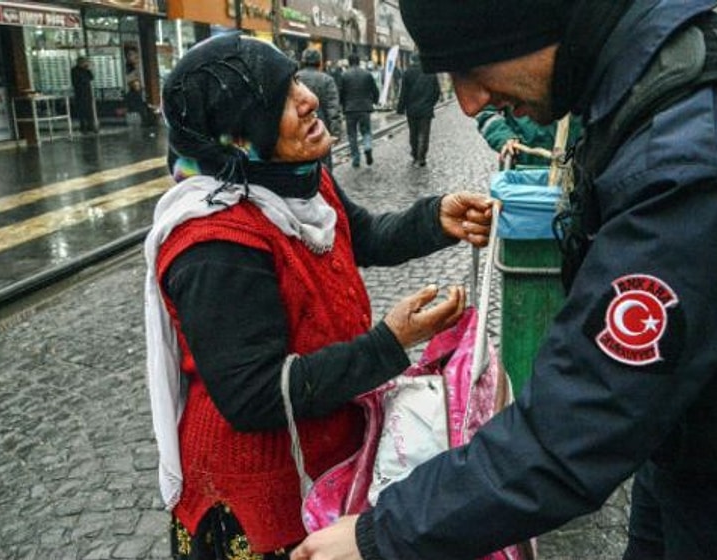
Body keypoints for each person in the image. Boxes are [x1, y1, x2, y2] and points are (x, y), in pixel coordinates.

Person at [293, 1, 717, 559]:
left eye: (471, 69)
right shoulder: (654, 84)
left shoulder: (700, 147)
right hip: (687, 451)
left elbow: (588, 414)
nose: (468, 104)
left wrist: (383, 533)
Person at [144, 33, 494, 558]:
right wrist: (390, 342)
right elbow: (255, 395)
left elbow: (363, 234)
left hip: (325, 461)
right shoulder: (215, 245)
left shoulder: (298, 179)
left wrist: (433, 219)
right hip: (259, 499)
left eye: (295, 83)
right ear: (239, 139)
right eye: (281, 98)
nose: (307, 98)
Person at [476, 104, 582, 168]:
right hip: (522, 165)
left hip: (575, 166)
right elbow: (487, 112)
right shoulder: (508, 69)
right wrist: (504, 137)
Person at [297, 48, 343, 169]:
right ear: (319, 62)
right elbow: (333, 107)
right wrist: (336, 132)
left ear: (303, 61)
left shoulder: (295, 79)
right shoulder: (327, 80)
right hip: (321, 128)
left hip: (298, 128)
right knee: (324, 166)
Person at [395, 56, 441, 167]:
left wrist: (400, 108)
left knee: (413, 133)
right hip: (426, 109)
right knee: (424, 134)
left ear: (412, 61)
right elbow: (437, 91)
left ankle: (415, 154)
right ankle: (421, 157)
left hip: (412, 110)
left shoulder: (407, 73)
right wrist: (431, 104)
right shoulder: (431, 73)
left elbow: (403, 93)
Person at [339, 52, 379, 168]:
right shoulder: (367, 74)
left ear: (349, 62)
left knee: (352, 135)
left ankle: (356, 159)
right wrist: (375, 101)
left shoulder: (344, 75)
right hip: (365, 108)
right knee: (366, 131)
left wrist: (342, 105)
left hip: (350, 109)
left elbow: (341, 92)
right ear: (358, 61)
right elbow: (374, 89)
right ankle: (367, 146)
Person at [71, 56, 96, 134]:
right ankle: (83, 127)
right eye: (84, 62)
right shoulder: (74, 70)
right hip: (80, 93)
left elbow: (91, 77)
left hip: (87, 93)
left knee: (89, 110)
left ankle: (90, 126)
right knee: (82, 111)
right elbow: (78, 81)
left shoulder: (86, 70)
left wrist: (88, 69)